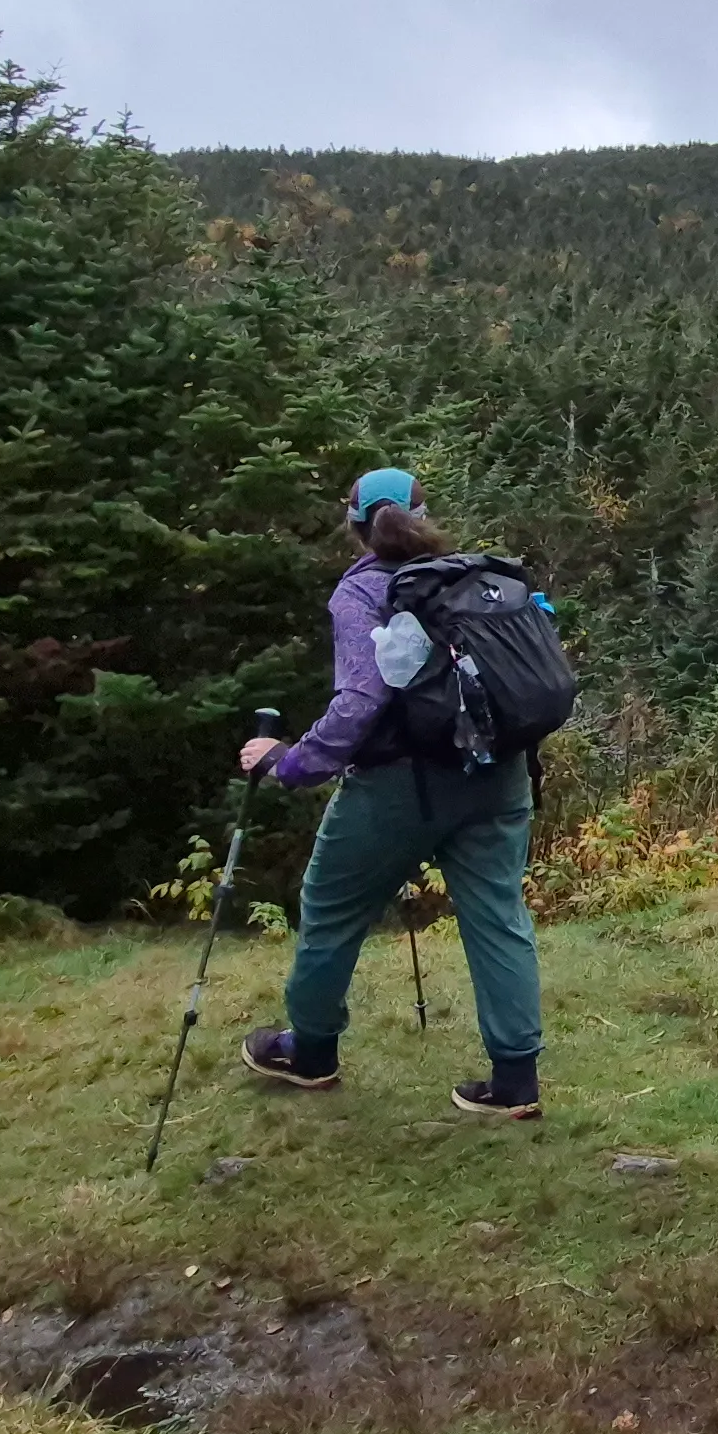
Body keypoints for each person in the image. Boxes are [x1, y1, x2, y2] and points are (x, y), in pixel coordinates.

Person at [236, 467, 545, 1117]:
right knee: (497, 918)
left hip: (400, 786)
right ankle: (515, 1082)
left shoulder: (362, 594)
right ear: (427, 515)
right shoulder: (470, 576)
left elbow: (360, 700)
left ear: (353, 528)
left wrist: (293, 763)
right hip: (499, 774)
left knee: (330, 905)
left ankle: (311, 1052)